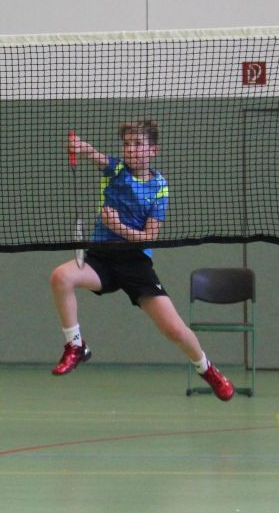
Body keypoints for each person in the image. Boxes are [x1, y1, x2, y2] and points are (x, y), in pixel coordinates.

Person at [49, 120, 234, 401]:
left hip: (135, 263)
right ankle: (76, 346)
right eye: (127, 144)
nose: (131, 149)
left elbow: (149, 236)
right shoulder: (115, 171)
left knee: (174, 330)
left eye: (138, 144)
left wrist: (118, 227)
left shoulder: (159, 186)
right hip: (101, 258)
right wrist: (79, 147)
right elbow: (95, 155)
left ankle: (206, 368)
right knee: (61, 277)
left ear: (153, 151)